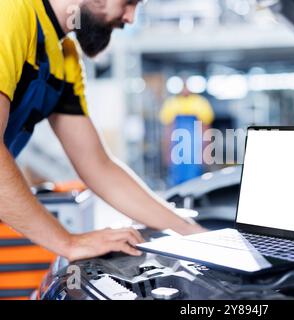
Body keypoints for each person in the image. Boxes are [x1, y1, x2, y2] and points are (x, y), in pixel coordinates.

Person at [0, 0, 205, 262]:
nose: (130, 17)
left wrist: (191, 231)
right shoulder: (11, 11)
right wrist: (69, 243)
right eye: (129, 2)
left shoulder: (65, 56)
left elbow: (98, 166)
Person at [160, 80, 215, 186]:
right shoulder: (171, 103)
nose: (185, 89)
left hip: (195, 146)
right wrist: (167, 151)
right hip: (177, 146)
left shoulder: (200, 103)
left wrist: (207, 150)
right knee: (176, 175)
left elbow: (206, 128)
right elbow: (167, 130)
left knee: (195, 176)